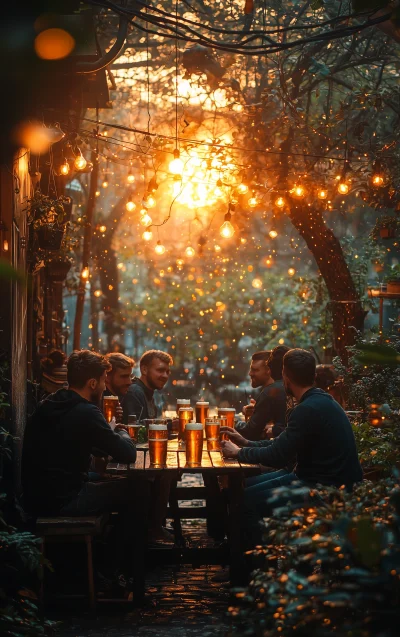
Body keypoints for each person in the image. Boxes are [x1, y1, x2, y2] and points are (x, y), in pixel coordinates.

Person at [22, 350, 149, 589]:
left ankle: (95, 563)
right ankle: (110, 570)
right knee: (137, 490)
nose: (104, 387)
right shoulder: (86, 411)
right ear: (92, 383)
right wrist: (121, 431)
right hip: (63, 499)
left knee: (108, 480)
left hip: (37, 496)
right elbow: (128, 453)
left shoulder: (51, 403)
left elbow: (81, 444)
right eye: (102, 381)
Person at [221, 348, 363, 541]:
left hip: (323, 490)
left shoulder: (306, 409)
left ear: (285, 376)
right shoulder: (320, 401)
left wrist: (239, 453)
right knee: (242, 488)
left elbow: (277, 456)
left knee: (245, 502)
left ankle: (256, 566)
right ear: (312, 376)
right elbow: (283, 444)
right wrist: (246, 443)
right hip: (321, 481)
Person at [122, 349, 177, 544]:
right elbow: (136, 431)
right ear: (144, 369)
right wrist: (169, 426)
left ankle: (155, 526)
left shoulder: (148, 392)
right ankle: (151, 530)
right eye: (160, 370)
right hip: (132, 459)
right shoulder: (135, 392)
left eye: (167, 371)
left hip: (142, 455)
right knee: (165, 472)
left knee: (168, 471)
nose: (165, 376)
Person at [236, 347, 289, 441]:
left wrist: (231, 422)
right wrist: (257, 411)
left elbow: (250, 433)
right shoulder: (284, 387)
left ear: (269, 370)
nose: (250, 373)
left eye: (255, 370)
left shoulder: (269, 392)